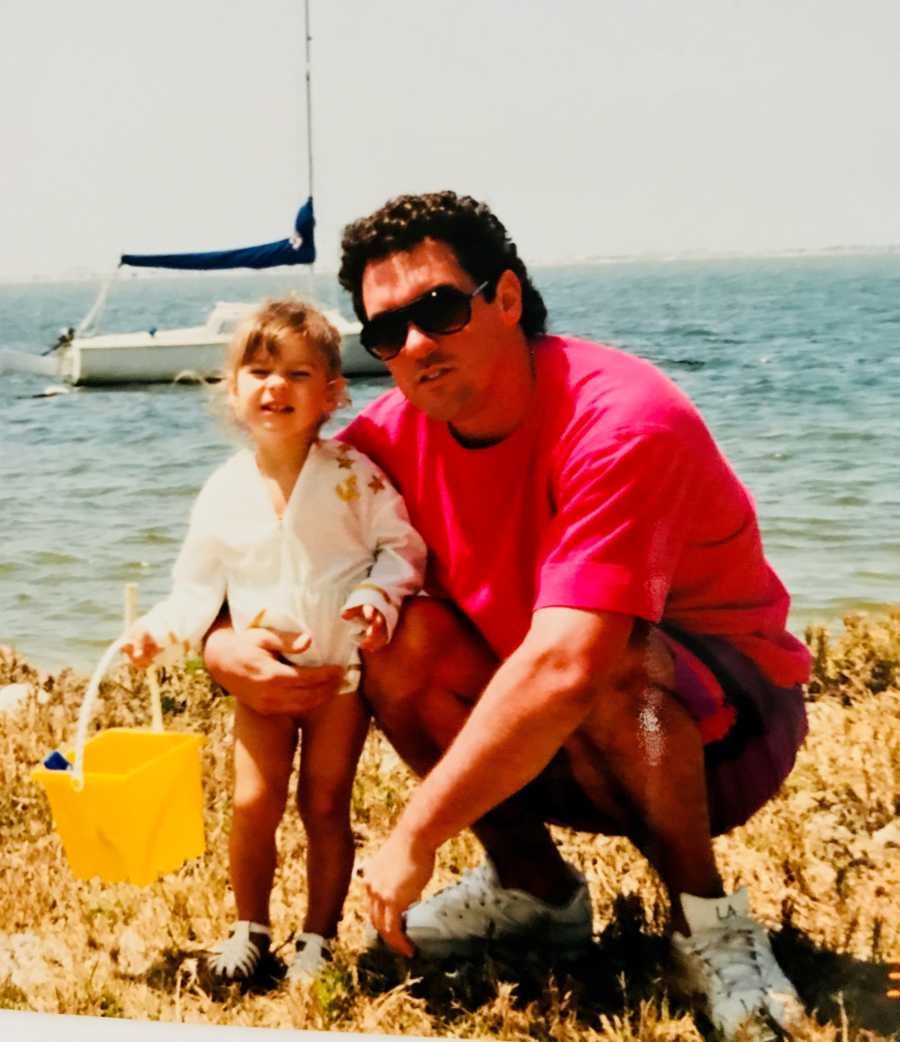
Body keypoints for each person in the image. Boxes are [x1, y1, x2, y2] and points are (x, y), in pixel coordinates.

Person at [205, 193, 810, 1037]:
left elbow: (571, 663)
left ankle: (709, 923)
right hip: (554, 729)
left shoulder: (624, 419)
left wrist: (413, 838)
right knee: (398, 639)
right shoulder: (385, 442)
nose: (414, 345)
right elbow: (264, 536)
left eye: (440, 309)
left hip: (723, 733)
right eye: (386, 332)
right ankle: (536, 893)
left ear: (508, 299)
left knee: (609, 655)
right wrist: (220, 640)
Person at [123, 297, 425, 984]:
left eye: (296, 373)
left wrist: (378, 596)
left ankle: (317, 937)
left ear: (332, 392)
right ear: (233, 391)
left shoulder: (353, 476)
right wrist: (159, 631)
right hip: (261, 679)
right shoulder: (225, 491)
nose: (275, 386)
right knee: (251, 804)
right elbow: (197, 590)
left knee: (324, 804)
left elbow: (400, 548)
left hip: (337, 679)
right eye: (258, 370)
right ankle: (249, 926)